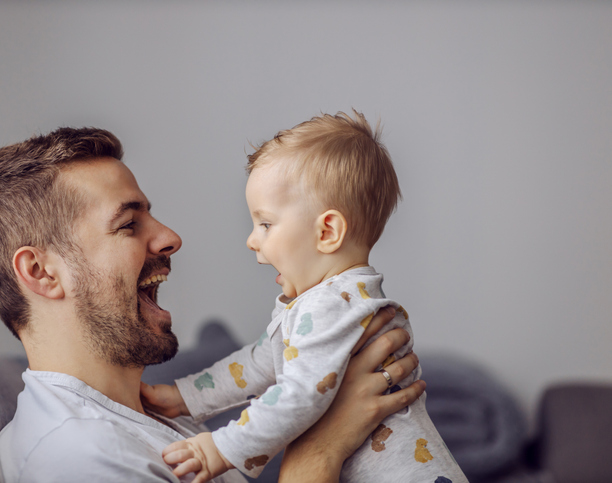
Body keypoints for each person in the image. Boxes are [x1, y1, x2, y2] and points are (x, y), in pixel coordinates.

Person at [0, 127, 426, 482]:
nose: (171, 237)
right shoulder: (75, 458)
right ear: (41, 272)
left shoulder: (148, 417)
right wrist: (321, 448)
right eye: (128, 225)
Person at [142, 111, 466, 482]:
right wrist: (184, 397)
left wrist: (222, 448)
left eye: (265, 224)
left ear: (327, 231)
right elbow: (257, 363)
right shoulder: (324, 303)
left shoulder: (333, 304)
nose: (252, 240)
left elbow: (298, 397)